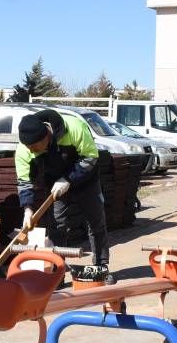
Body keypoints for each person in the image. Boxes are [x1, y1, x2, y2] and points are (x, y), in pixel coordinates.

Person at [15, 109, 110, 280]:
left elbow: (90, 157)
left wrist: (68, 179)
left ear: (46, 136)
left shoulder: (74, 127)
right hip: (55, 186)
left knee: (96, 221)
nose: (32, 150)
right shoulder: (24, 149)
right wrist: (27, 209)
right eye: (29, 147)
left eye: (34, 147)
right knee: (57, 225)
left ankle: (100, 268)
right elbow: (24, 181)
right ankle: (58, 272)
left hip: (86, 178)